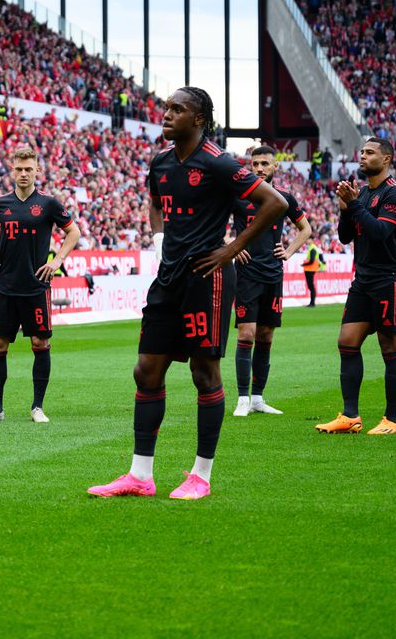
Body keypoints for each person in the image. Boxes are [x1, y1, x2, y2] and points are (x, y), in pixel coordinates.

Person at [87, 87, 286, 501]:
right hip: (169, 276)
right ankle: (141, 475)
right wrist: (159, 237)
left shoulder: (219, 162)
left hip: (207, 277)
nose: (167, 114)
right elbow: (156, 202)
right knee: (146, 370)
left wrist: (231, 249)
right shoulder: (160, 163)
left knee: (204, 373)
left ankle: (201, 475)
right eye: (166, 107)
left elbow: (275, 202)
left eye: (177, 109)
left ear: (198, 120)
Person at [0, 147, 81, 424]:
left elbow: (73, 231)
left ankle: (37, 407)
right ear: (12, 170)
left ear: (37, 171)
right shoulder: (0, 204)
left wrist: (57, 262)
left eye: (29, 169)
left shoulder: (49, 203)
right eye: (19, 169)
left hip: (36, 287)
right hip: (5, 285)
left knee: (40, 342)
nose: (23, 174)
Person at [316, 139, 396, 436]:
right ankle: (350, 416)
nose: (363, 156)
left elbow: (382, 231)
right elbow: (346, 237)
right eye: (362, 152)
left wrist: (355, 205)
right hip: (364, 279)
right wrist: (346, 208)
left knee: (389, 347)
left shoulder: (395, 193)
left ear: (386, 159)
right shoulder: (364, 193)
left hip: (391, 278)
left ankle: (391, 420)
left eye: (370, 153)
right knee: (347, 341)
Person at [230, 145, 312, 417]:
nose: (260, 168)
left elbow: (306, 229)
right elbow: (214, 225)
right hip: (247, 273)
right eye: (255, 164)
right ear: (249, 166)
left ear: (275, 167)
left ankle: (258, 399)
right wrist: (231, 245)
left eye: (265, 163)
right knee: (247, 333)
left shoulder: (284, 199)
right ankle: (242, 398)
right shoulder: (239, 197)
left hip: (273, 274)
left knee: (266, 336)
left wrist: (288, 251)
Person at [301, 237, 323, 306]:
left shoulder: (312, 248)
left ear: (311, 240)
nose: (306, 241)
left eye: (307, 239)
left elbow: (312, 260)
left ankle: (312, 302)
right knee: (311, 286)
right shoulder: (313, 248)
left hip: (310, 269)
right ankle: (312, 302)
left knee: (311, 286)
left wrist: (304, 264)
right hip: (311, 269)